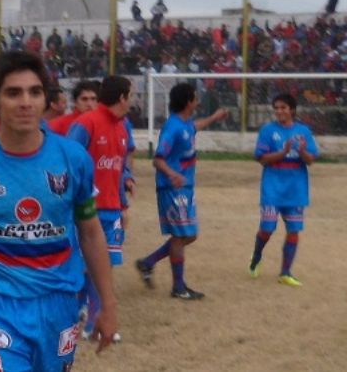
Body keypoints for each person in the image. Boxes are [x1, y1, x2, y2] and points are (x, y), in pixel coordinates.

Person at [0, 51, 118, 371]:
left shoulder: (74, 158)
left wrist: (108, 304)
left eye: (35, 92)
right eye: (14, 93)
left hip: (58, 302)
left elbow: (90, 230)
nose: (25, 102)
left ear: (45, 99)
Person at [135, 83, 227, 300]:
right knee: (180, 235)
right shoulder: (173, 127)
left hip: (185, 188)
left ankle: (148, 262)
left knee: (190, 235)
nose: (198, 101)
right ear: (188, 102)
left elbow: (195, 126)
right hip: (172, 188)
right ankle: (178, 287)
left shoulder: (185, 124)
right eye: (195, 98)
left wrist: (214, 117)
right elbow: (158, 160)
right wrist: (172, 174)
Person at [67, 75, 132, 340]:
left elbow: (117, 170)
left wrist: (123, 205)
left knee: (104, 266)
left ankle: (93, 320)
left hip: (112, 210)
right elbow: (68, 161)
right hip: (86, 210)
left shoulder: (123, 127)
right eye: (131, 95)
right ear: (122, 98)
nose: (133, 101)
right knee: (86, 266)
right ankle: (85, 318)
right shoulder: (87, 123)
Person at [248, 93, 319, 287]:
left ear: (292, 110)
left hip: (295, 190)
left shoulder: (303, 131)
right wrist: (284, 152)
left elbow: (311, 160)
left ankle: (285, 272)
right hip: (272, 189)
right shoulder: (268, 131)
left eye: (283, 108)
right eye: (277, 108)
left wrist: (302, 150)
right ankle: (256, 256)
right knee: (267, 229)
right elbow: (261, 159)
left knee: (294, 230)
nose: (279, 111)